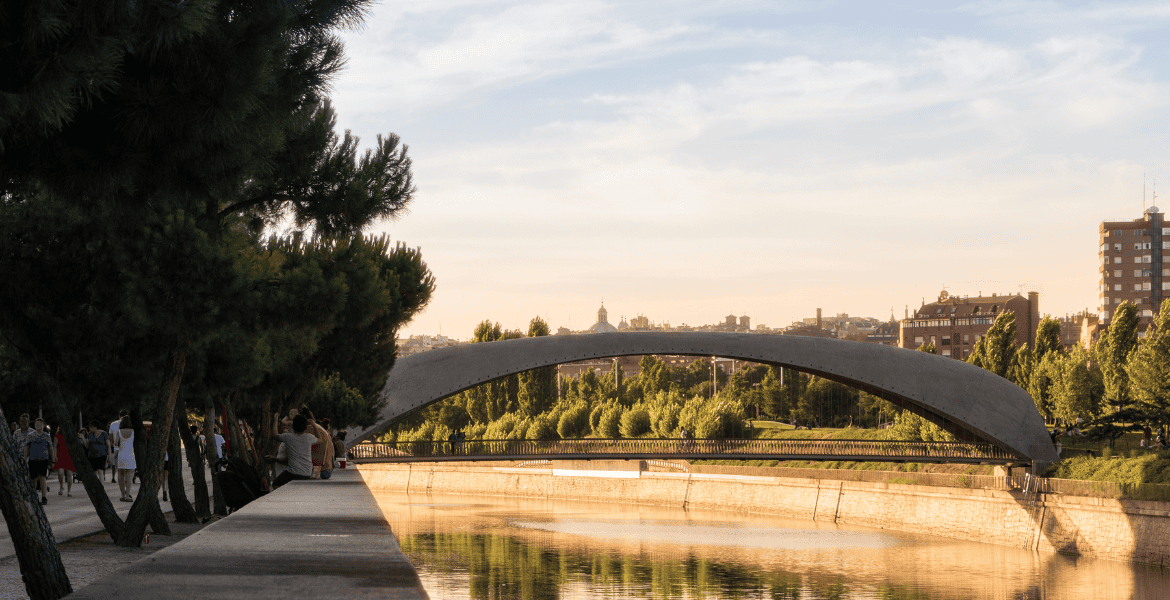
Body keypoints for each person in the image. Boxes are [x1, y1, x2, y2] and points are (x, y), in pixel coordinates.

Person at [268, 413, 315, 488]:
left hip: (294, 472)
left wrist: (275, 421)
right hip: (307, 472)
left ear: (292, 427)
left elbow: (274, 435)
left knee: (276, 484)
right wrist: (314, 425)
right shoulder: (309, 437)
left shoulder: (288, 437)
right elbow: (319, 439)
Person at [24, 418, 55, 505]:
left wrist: (52, 460)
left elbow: (51, 448)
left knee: (42, 478)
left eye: (39, 424)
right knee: (33, 479)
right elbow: (27, 447)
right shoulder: (30, 435)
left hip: (43, 460)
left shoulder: (46, 436)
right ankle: (33, 497)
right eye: (36, 424)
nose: (38, 425)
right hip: (33, 460)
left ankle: (44, 497)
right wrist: (24, 458)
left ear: (43, 425)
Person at [114, 415, 136, 501]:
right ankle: (127, 495)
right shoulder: (133, 432)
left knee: (121, 474)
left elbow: (115, 443)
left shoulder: (119, 432)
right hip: (130, 454)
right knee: (129, 476)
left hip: (121, 454)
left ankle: (122, 495)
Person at [51, 425, 77, 497]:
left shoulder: (70, 435)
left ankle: (69, 491)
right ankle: (61, 486)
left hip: (68, 456)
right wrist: (55, 456)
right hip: (60, 456)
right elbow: (55, 446)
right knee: (60, 473)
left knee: (69, 474)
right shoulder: (57, 435)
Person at [109, 410, 127, 483]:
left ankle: (115, 477)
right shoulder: (128, 423)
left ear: (119, 415)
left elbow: (110, 435)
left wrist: (112, 443)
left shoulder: (113, 424)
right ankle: (125, 478)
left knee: (115, 465)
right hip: (126, 448)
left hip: (116, 448)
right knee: (125, 465)